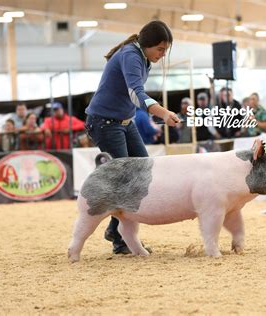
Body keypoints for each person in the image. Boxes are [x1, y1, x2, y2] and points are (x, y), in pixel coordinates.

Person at [84, 20, 179, 255]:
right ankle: (119, 238)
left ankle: (116, 231)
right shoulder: (131, 55)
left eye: (165, 50)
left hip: (124, 122)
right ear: (147, 44)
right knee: (127, 180)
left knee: (142, 174)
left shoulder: (142, 56)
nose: (162, 54)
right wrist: (164, 113)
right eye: (160, 49)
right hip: (105, 123)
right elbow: (136, 94)